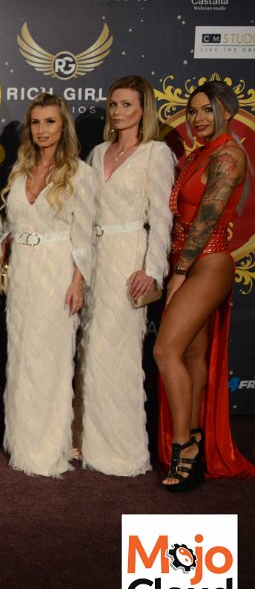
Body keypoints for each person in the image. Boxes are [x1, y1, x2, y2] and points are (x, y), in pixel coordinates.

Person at [154, 80, 255, 490]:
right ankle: (194, 437)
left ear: (226, 111)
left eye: (207, 110)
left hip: (207, 263)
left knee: (165, 350)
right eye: (193, 111)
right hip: (186, 261)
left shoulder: (228, 157)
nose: (198, 118)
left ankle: (184, 446)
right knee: (193, 357)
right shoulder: (201, 153)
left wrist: (179, 273)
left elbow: (207, 218)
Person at [78, 76, 175, 477]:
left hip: (129, 261)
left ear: (143, 110)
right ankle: (90, 441)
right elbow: (84, 212)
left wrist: (152, 270)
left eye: (127, 105)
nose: (118, 112)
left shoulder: (156, 153)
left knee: (118, 355)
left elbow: (163, 217)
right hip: (96, 260)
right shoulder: (98, 152)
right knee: (91, 350)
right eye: (114, 104)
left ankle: (123, 450)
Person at [2, 93, 97, 477]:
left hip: (58, 272)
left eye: (50, 122)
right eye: (36, 122)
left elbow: (85, 234)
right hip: (23, 274)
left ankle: (50, 446)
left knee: (52, 360)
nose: (42, 130)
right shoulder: (19, 170)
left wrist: (78, 281)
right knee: (23, 356)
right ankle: (24, 442)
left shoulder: (80, 174)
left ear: (63, 126)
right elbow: (10, 226)